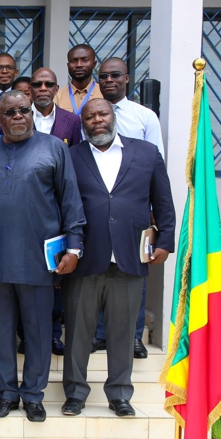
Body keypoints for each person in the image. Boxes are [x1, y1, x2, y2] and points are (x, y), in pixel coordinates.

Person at [0, 91, 85, 423]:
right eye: (11, 112)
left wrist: (74, 247)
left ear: (33, 113)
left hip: (39, 259)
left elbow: (70, 201)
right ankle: (7, 392)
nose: (19, 116)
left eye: (25, 110)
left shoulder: (54, 149)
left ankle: (33, 394)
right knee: (2, 331)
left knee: (38, 331)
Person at [62, 99, 175, 418]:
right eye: (89, 117)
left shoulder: (146, 153)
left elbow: (163, 201)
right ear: (82, 123)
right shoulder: (71, 156)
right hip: (84, 258)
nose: (97, 120)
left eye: (102, 114)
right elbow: (63, 207)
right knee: (78, 331)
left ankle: (120, 393)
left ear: (113, 117)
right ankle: (75, 392)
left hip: (130, 256)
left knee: (124, 331)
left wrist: (165, 240)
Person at [92, 57, 166, 359]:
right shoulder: (93, 114)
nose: (108, 80)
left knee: (134, 268)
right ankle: (100, 333)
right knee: (96, 269)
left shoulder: (144, 116)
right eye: (104, 76)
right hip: (99, 206)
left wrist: (151, 208)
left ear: (127, 78)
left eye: (114, 75)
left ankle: (134, 336)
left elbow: (155, 164)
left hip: (135, 209)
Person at [30, 68, 83, 147]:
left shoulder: (73, 120)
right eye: (37, 85)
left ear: (56, 89)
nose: (43, 88)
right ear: (30, 89)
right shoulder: (16, 117)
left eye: (49, 84)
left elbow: (74, 154)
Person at [54, 44, 103, 115]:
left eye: (85, 60)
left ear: (94, 64)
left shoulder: (103, 94)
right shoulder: (57, 96)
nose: (79, 65)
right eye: (74, 61)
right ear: (68, 66)